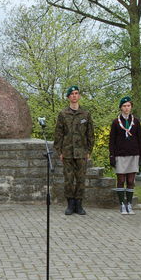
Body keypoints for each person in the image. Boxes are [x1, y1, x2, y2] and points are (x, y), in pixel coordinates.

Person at [54, 85, 95, 215]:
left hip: (82, 152)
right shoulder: (63, 114)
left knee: (81, 179)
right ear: (68, 97)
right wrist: (59, 151)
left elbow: (90, 134)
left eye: (76, 93)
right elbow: (58, 134)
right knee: (68, 180)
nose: (74, 96)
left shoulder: (86, 114)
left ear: (79, 96)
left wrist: (89, 150)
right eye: (72, 94)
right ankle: (70, 204)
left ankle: (79, 204)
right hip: (67, 152)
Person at [109, 96, 141, 215]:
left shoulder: (136, 121)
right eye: (124, 106)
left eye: (128, 106)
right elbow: (112, 140)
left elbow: (140, 139)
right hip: (120, 155)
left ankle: (129, 203)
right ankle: (122, 204)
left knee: (130, 180)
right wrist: (112, 156)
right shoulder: (115, 122)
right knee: (121, 179)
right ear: (121, 108)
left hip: (133, 154)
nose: (126, 108)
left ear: (131, 107)